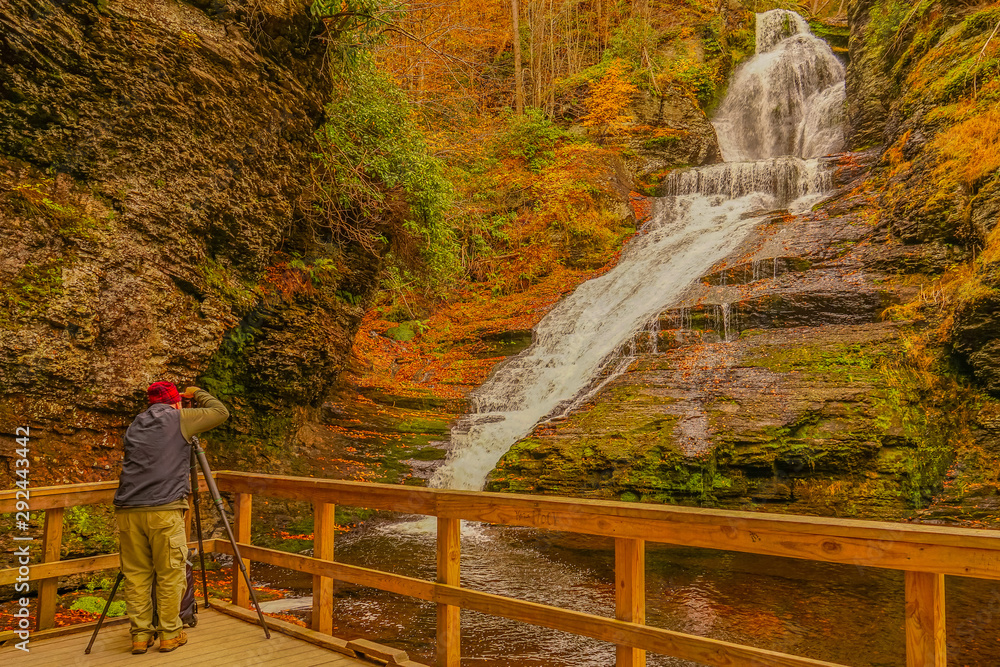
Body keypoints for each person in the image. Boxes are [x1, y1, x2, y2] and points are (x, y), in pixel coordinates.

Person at [113, 381, 229, 654]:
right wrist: (195, 393)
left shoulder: (136, 424)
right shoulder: (180, 419)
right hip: (164, 509)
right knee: (169, 574)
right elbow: (220, 412)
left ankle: (140, 636)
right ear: (176, 402)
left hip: (128, 510)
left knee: (136, 576)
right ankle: (170, 633)